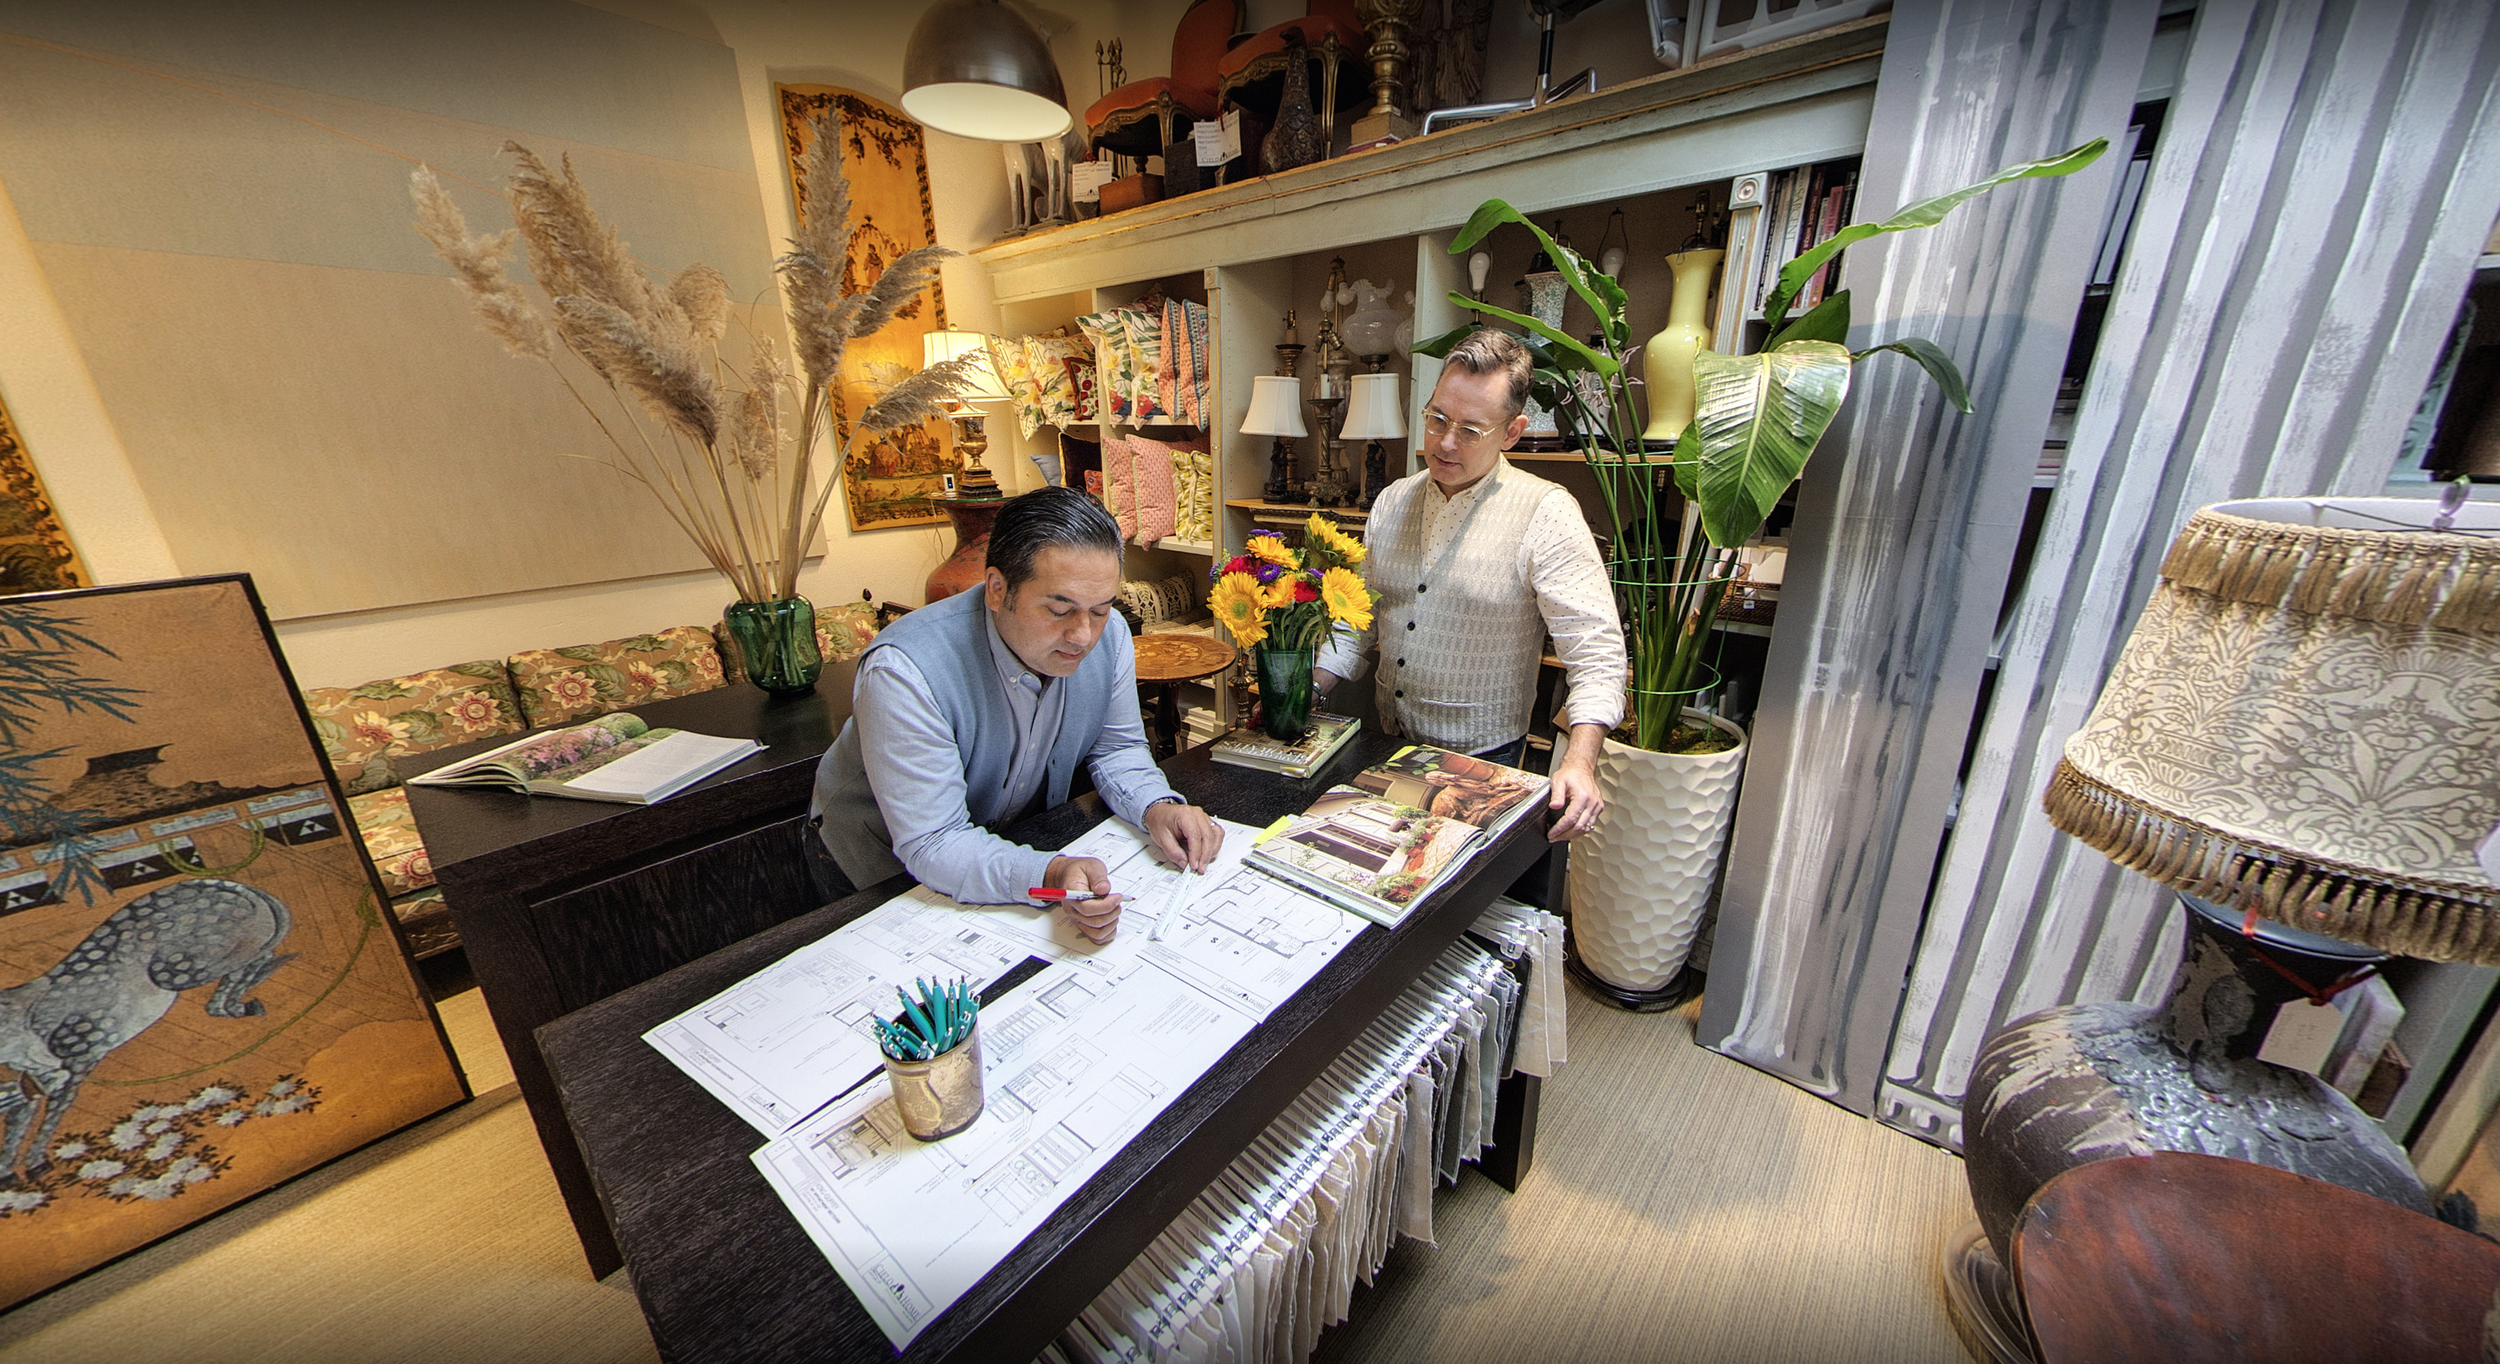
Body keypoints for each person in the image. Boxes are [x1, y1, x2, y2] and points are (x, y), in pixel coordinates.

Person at [811, 486, 1223, 942]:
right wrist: (1049, 873)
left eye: (1100, 609)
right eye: (1059, 609)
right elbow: (934, 841)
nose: (1083, 636)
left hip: (998, 845)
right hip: (881, 862)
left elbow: (1119, 748)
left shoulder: (1111, 637)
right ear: (997, 589)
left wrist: (1156, 806)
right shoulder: (905, 670)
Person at [1315, 328, 1625, 842]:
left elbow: (1597, 652)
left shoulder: (1546, 513)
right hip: (1383, 741)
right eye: (1437, 418)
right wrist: (1311, 684)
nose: (1445, 442)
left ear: (1512, 432)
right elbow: (1358, 620)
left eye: (1471, 429)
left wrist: (1581, 760)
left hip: (1482, 764)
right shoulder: (1391, 502)